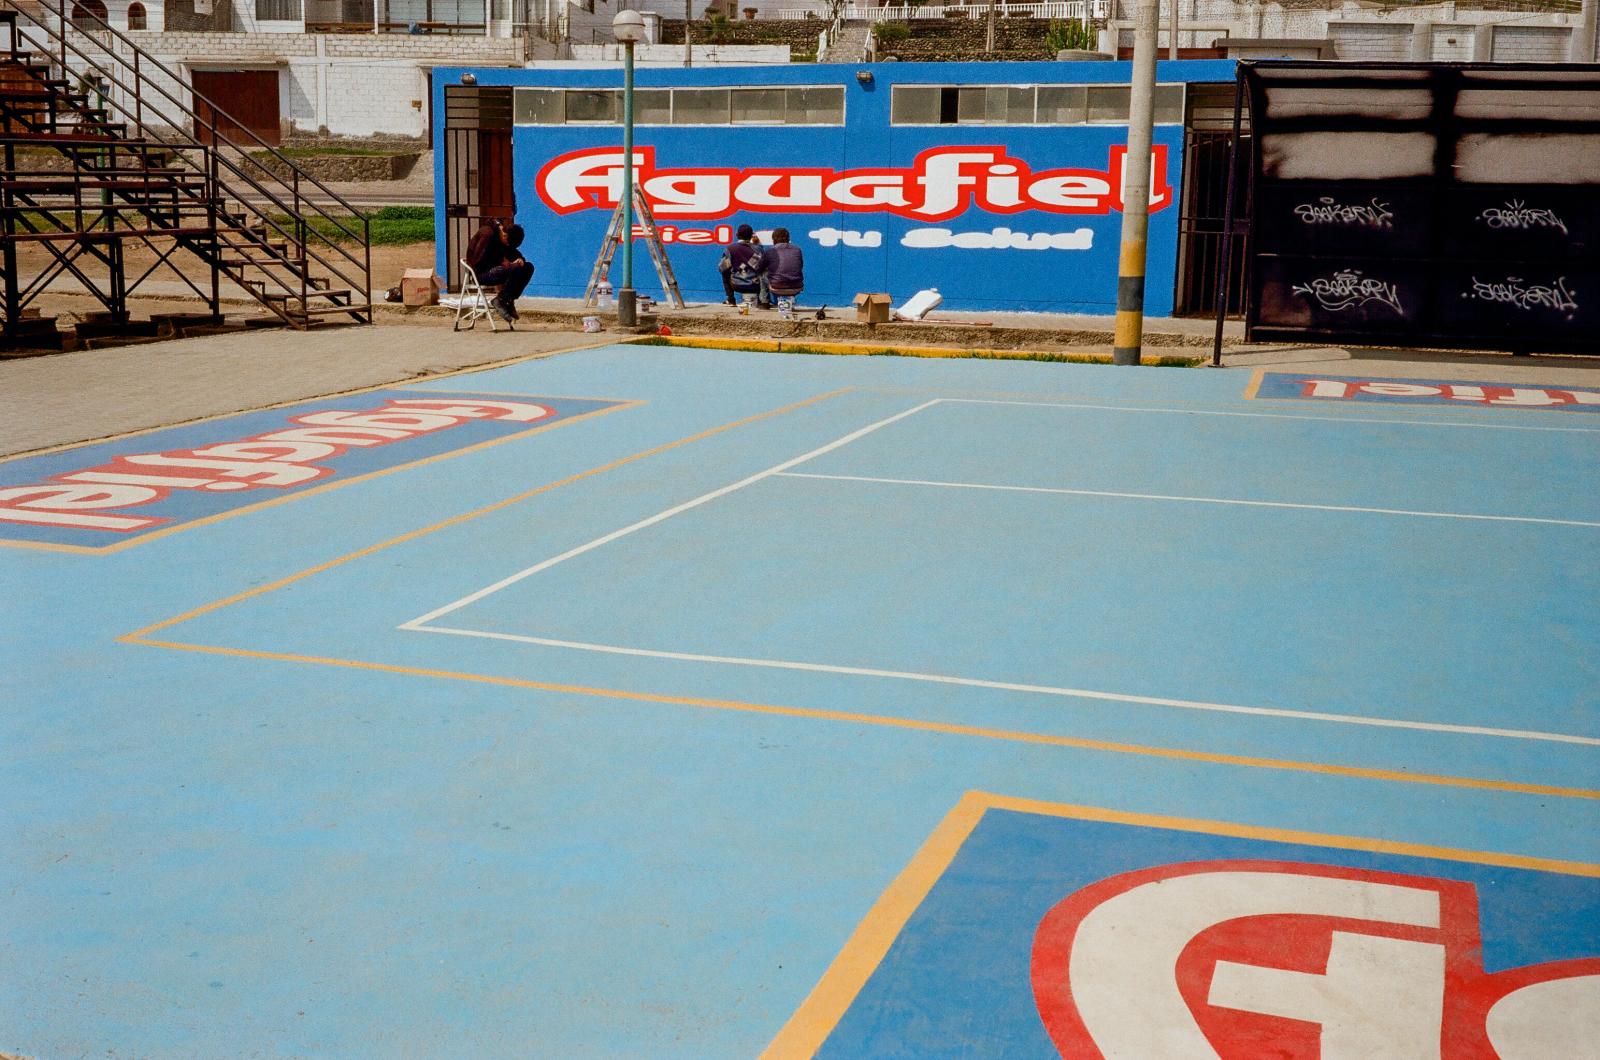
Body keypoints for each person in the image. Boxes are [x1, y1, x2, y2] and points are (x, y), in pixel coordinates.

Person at [466, 218, 533, 322]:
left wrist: (520, 260)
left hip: (496, 269)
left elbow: (512, 252)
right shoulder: (487, 234)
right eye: (507, 243)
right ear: (505, 235)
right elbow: (476, 262)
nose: (507, 246)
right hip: (481, 273)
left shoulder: (504, 237)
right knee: (514, 268)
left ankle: (505, 299)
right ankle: (503, 300)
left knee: (528, 267)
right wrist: (503, 263)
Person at [717, 224, 764, 309]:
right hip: (755, 285)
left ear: (737, 235)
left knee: (725, 273)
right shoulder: (758, 249)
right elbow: (761, 266)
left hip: (737, 285)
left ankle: (731, 299)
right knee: (762, 273)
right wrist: (758, 246)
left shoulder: (731, 249)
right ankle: (762, 300)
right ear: (751, 236)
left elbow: (721, 268)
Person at [764, 227, 804, 317]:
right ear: (788, 238)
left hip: (776, 287)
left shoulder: (770, 251)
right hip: (797, 287)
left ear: (774, 239)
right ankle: (790, 303)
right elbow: (800, 266)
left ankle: (764, 302)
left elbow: (759, 267)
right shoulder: (797, 249)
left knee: (762, 275)